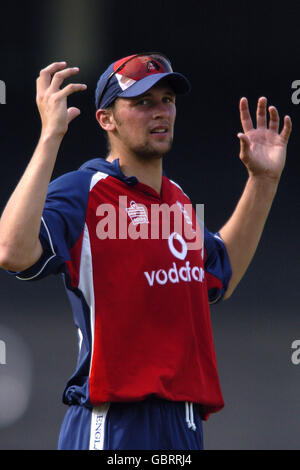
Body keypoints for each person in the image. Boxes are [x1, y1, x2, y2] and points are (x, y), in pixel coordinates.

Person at [0, 52, 292, 451]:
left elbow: (220, 274)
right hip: (116, 423)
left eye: (167, 100)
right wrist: (51, 135)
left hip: (183, 423)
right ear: (106, 119)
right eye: (141, 102)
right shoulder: (84, 190)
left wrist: (263, 181)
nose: (160, 111)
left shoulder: (178, 201)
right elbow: (11, 250)